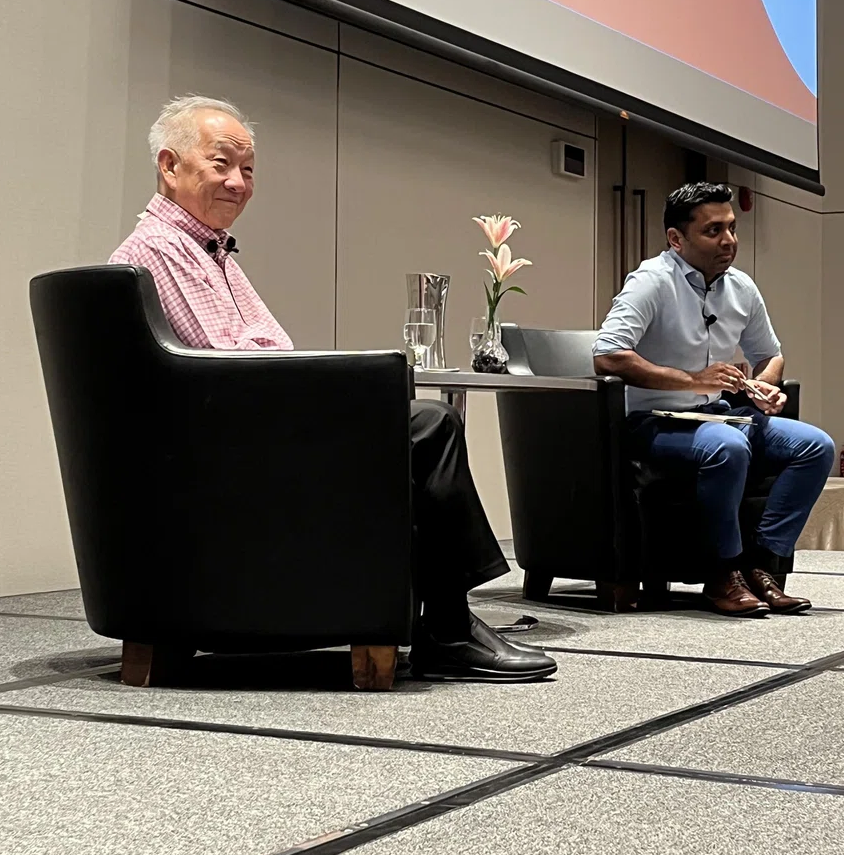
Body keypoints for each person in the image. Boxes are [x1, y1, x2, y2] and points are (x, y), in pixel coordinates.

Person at [110, 95, 555, 682]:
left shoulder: (207, 250)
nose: (239, 183)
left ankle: (448, 622)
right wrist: (343, 391)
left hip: (237, 434)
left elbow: (264, 352)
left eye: (248, 170)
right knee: (430, 423)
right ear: (170, 166)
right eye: (222, 165)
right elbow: (235, 370)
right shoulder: (162, 250)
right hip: (226, 455)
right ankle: (448, 627)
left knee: (419, 426)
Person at [593, 182, 834, 617]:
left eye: (732, 228)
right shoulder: (652, 281)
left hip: (720, 415)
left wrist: (763, 386)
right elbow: (608, 354)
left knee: (815, 446)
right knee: (729, 446)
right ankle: (721, 573)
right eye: (713, 231)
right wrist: (691, 380)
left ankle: (762, 563)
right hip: (654, 422)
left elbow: (771, 354)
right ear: (676, 239)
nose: (729, 241)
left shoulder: (741, 287)